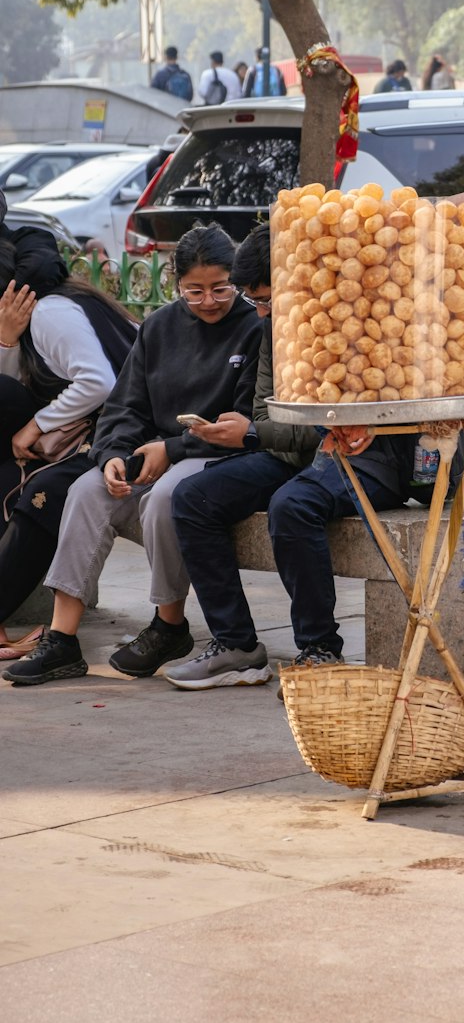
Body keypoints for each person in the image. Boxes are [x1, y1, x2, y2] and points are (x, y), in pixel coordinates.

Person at [3, 223, 263, 687]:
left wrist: (175, 447)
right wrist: (113, 455)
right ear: (175, 283)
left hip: (215, 455)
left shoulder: (255, 327)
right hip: (154, 450)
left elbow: (244, 420)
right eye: (194, 290)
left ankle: (169, 624)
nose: (209, 300)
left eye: (221, 288)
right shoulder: (161, 326)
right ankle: (62, 640)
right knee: (85, 490)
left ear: (236, 280)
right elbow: (124, 404)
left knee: (166, 495)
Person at [165, 225, 415, 690]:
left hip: (370, 462)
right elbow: (265, 411)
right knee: (193, 497)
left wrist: (264, 432)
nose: (261, 311)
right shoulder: (272, 329)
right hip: (290, 451)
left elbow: (380, 411)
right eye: (255, 302)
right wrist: (256, 433)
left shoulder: (362, 312)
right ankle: (236, 645)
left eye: (267, 299)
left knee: (292, 505)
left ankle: (320, 649)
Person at [0, 241, 137, 658]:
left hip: (121, 438)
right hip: (88, 436)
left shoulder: (51, 312)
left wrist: (35, 425)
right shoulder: (44, 310)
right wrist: (6, 339)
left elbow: (99, 384)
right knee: (9, 480)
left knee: (42, 497)